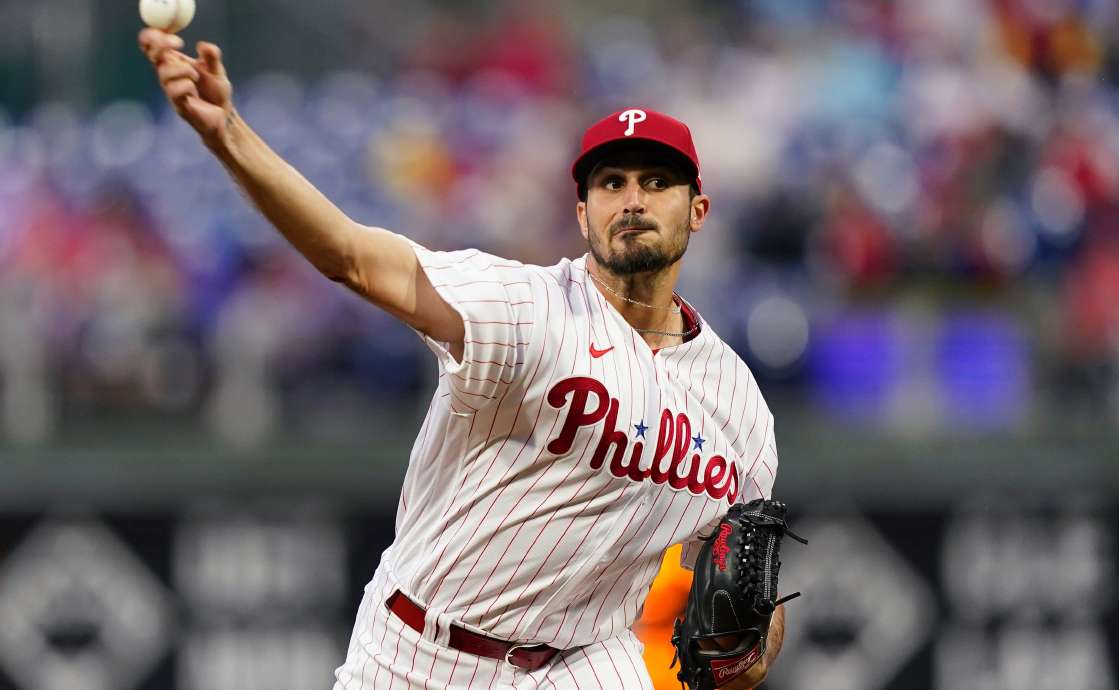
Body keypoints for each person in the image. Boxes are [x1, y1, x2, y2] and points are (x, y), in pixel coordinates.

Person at [139, 29, 785, 689]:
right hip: (423, 649)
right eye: (611, 183)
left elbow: (749, 591)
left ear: (698, 209)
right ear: (584, 216)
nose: (634, 200)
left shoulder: (737, 403)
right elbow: (352, 258)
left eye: (658, 181)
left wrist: (754, 648)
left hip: (585, 665)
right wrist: (229, 136)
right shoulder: (527, 307)